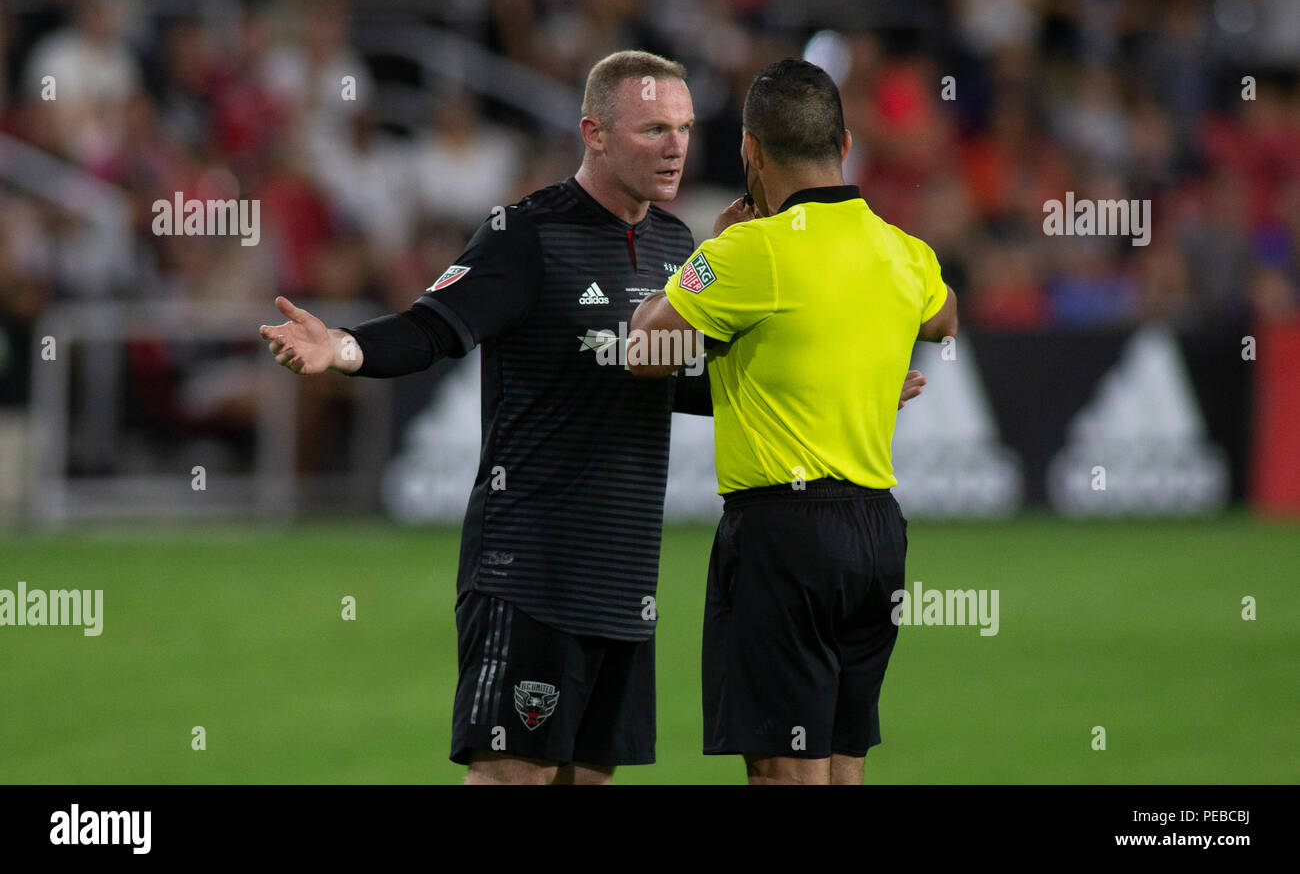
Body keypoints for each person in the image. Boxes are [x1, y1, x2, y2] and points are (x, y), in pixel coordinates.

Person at [259, 50, 705, 784]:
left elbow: (682, 386)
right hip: (528, 563)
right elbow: (433, 326)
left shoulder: (675, 245)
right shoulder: (526, 233)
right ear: (594, 132)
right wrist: (341, 346)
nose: (676, 146)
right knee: (510, 775)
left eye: (684, 128)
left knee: (584, 780)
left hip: (626, 571)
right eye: (654, 127)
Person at [629, 58, 958, 785]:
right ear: (845, 145)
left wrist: (705, 258)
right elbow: (943, 317)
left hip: (785, 536)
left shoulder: (746, 252)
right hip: (877, 534)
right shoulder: (904, 251)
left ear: (751, 151)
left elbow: (644, 346)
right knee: (842, 767)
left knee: (784, 773)